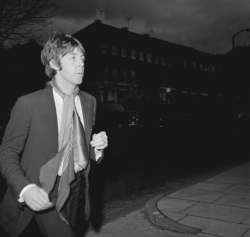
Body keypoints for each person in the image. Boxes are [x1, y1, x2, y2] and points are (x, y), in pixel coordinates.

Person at [0, 32, 108, 237]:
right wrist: (24, 188)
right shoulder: (29, 104)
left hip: (77, 189)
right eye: (73, 58)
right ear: (55, 64)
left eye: (82, 58)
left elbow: (82, 148)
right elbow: (7, 152)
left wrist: (96, 148)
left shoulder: (89, 101)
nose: (81, 64)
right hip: (44, 188)